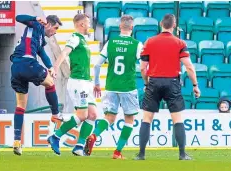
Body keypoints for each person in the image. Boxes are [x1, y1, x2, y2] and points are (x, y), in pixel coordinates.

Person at [134, 14, 201, 160]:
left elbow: (143, 68)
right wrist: (195, 85)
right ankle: (182, 154)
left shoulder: (150, 42)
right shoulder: (179, 43)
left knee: (147, 118)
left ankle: (141, 154)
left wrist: (146, 83)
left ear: (160, 24)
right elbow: (189, 67)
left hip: (154, 82)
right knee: (177, 119)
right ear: (174, 25)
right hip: (172, 82)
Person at [83, 15, 143, 159]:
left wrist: (97, 83)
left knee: (109, 117)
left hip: (110, 85)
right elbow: (143, 66)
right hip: (128, 87)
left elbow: (97, 65)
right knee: (129, 120)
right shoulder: (137, 44)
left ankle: (94, 135)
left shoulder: (110, 43)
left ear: (120, 27)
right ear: (132, 28)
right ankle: (117, 152)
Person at [10, 14, 63, 156]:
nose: (55, 32)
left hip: (16, 67)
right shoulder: (36, 25)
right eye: (55, 28)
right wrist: (36, 17)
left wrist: (51, 66)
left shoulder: (39, 38)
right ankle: (55, 114)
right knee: (50, 83)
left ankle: (16, 141)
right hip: (27, 63)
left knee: (21, 105)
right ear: (48, 25)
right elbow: (18, 17)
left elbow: (42, 53)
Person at [48, 14, 98, 156]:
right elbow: (64, 52)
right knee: (82, 115)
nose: (90, 26)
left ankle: (79, 146)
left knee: (93, 114)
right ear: (81, 24)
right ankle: (55, 136)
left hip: (86, 82)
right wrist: (56, 67)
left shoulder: (83, 40)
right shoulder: (75, 38)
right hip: (78, 82)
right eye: (88, 23)